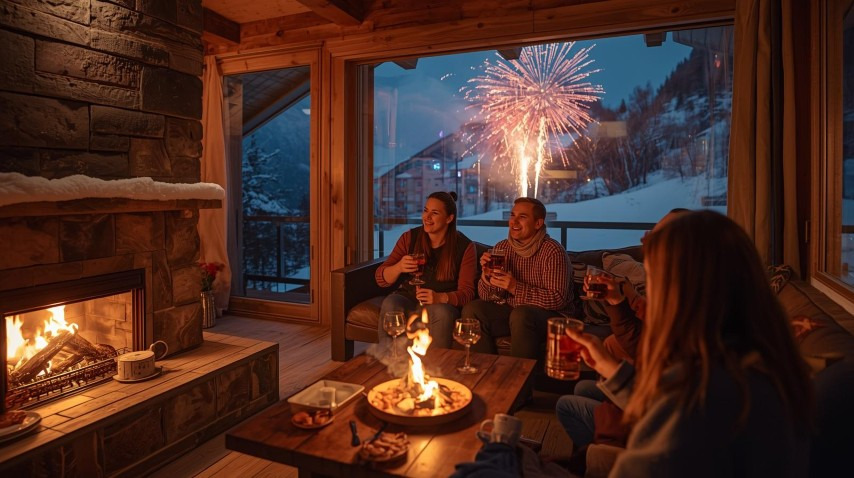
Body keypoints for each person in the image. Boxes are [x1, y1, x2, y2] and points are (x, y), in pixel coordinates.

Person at [564, 210, 812, 476]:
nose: (651, 294)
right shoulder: (744, 355)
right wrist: (607, 364)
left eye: (655, 282)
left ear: (683, 291)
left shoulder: (705, 389)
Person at [555, 209, 689, 452]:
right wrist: (617, 301)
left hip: (652, 421)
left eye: (653, 238)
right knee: (583, 388)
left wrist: (612, 370)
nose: (643, 240)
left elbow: (664, 409)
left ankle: (597, 455)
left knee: (566, 404)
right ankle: (588, 455)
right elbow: (640, 345)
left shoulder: (689, 314)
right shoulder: (671, 296)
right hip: (649, 399)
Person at [462, 197, 573, 359]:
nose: (514, 221)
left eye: (522, 217)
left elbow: (558, 299)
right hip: (513, 312)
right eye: (512, 215)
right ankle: (485, 372)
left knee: (521, 315)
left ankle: (519, 379)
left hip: (552, 317)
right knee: (473, 310)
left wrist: (515, 287)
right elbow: (487, 296)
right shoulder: (502, 248)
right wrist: (487, 276)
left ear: (538, 223)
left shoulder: (553, 251)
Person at [375, 191, 477, 350]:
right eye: (425, 210)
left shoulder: (465, 247)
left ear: (449, 218)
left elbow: (468, 293)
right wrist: (399, 267)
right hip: (408, 297)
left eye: (434, 213)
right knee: (391, 302)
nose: (426, 217)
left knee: (443, 313)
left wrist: (441, 297)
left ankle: (433, 369)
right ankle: (391, 363)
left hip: (441, 304)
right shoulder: (409, 237)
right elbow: (381, 278)